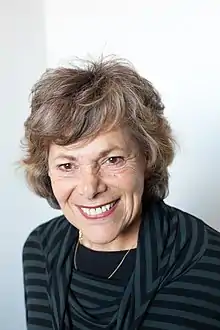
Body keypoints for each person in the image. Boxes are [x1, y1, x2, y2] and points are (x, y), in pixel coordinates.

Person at [22, 57, 220, 330]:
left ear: (148, 157)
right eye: (67, 165)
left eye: (112, 160)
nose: (90, 188)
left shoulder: (209, 261)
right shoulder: (40, 249)